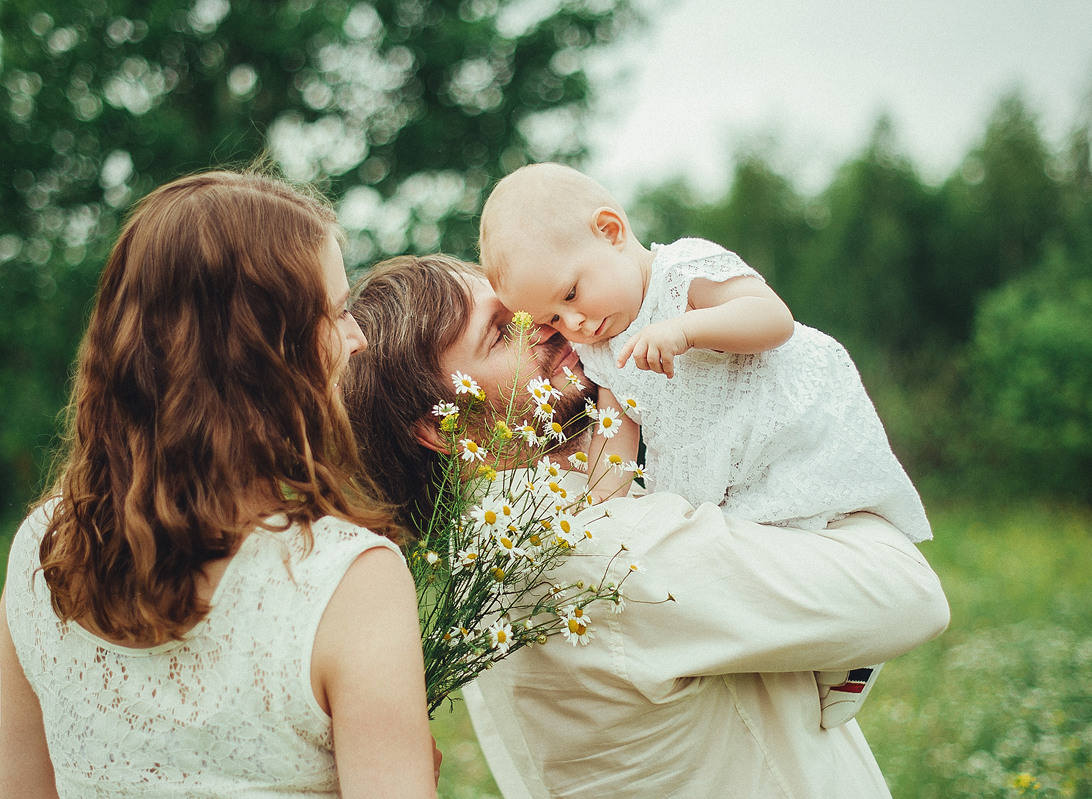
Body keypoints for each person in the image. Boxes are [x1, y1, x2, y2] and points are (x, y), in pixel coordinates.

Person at [341, 254, 951, 798]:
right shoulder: (577, 545)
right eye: (503, 333)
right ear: (439, 428)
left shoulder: (490, 550)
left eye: (531, 310)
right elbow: (908, 595)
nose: (550, 329)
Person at [0, 171, 437, 798]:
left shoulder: (43, 550)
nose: (358, 337)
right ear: (262, 352)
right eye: (337, 312)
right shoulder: (346, 579)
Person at [477, 161, 934, 726]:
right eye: (552, 320)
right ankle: (825, 653)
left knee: (816, 515)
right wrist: (596, 508)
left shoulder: (680, 270)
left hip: (777, 420)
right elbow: (616, 430)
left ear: (611, 231)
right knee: (758, 554)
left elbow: (774, 318)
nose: (576, 324)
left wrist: (687, 329)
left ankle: (856, 653)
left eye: (571, 293)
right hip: (717, 452)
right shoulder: (601, 346)